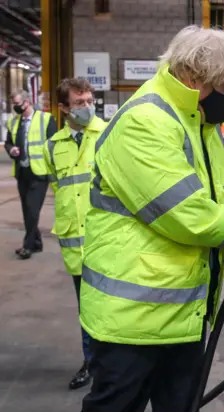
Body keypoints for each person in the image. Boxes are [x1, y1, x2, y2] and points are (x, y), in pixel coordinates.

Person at [79, 25, 224, 412]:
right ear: (193, 79)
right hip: (133, 319)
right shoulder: (146, 122)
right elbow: (188, 217)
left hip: (181, 315)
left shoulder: (197, 121)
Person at [43, 78, 106, 390]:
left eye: (89, 100)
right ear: (64, 108)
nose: (87, 107)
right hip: (76, 245)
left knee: (115, 307)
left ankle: (115, 366)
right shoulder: (54, 146)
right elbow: (59, 187)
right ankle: (91, 363)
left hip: (109, 240)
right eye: (79, 103)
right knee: (87, 311)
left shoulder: (109, 134)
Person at [4, 90, 57, 259]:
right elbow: (8, 143)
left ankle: (27, 246)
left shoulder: (45, 119)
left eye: (18, 104)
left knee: (32, 210)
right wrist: (11, 149)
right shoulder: (13, 122)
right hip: (22, 172)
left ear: (27, 102)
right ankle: (37, 242)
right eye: (14, 105)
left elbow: (54, 144)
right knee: (27, 210)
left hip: (40, 173)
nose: (16, 108)